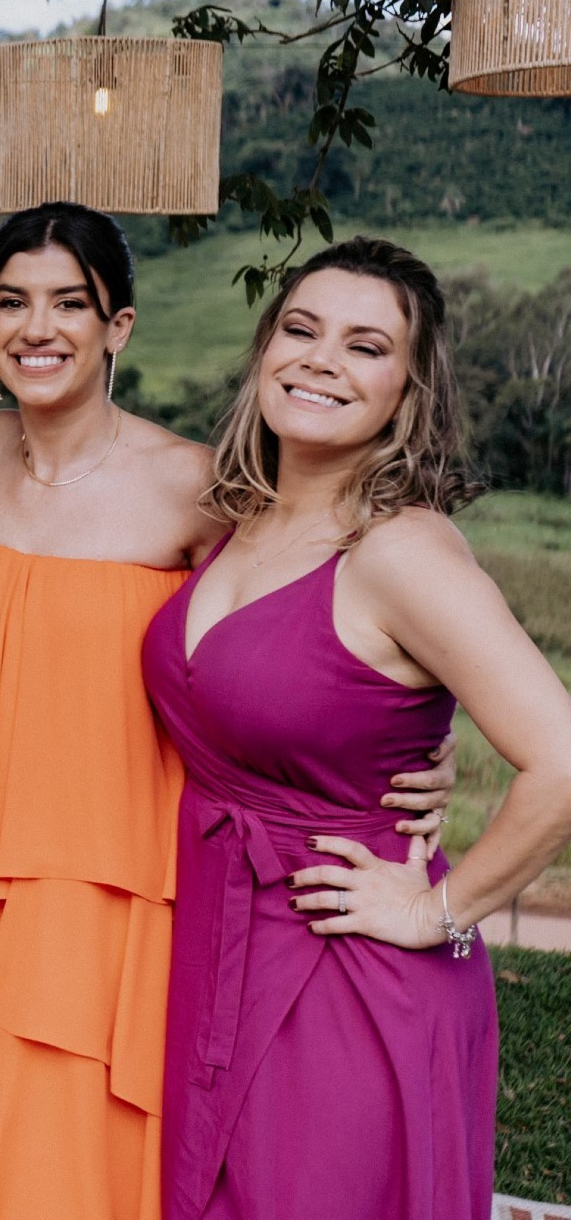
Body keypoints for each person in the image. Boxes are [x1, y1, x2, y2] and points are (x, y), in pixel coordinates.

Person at [0, 203, 455, 1220]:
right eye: (11, 301)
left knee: (60, 1164)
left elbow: (283, 638)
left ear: (118, 326)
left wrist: (404, 751)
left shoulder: (195, 483)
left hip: (107, 880)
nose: (35, 327)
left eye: (67, 303)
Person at [147, 237, 571, 1220]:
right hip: (222, 942)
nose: (319, 359)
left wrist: (437, 909)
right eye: (299, 329)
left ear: (407, 390)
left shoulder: (398, 550)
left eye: (363, 345)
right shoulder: (236, 521)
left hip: (344, 965)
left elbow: (559, 755)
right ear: (261, 349)